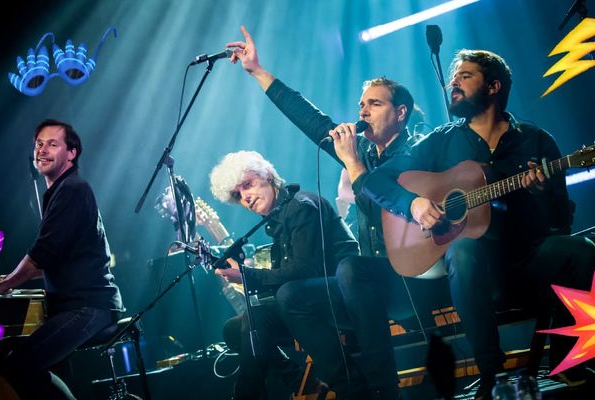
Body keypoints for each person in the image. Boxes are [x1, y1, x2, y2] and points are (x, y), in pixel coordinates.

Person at [363, 49, 595, 399]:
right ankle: (491, 372)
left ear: (493, 86)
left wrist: (542, 194)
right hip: (473, 272)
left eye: (465, 76)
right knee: (463, 249)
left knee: (581, 250)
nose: (452, 83)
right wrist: (414, 203)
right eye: (453, 77)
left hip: (525, 261)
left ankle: (568, 363)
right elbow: (376, 182)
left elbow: (562, 221)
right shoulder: (441, 140)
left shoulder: (535, 140)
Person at [227, 25, 417, 399]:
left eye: (374, 104)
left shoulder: (415, 154)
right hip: (363, 282)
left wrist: (353, 163)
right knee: (289, 297)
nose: (363, 111)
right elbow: (310, 119)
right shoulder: (360, 155)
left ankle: (384, 391)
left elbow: (391, 202)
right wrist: (257, 71)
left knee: (350, 268)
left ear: (400, 113)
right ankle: (353, 390)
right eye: (361, 105)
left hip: (406, 275)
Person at [209, 150, 360, 400]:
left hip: (344, 294)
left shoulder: (302, 207)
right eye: (238, 194)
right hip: (304, 300)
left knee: (280, 301)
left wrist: (247, 276)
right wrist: (242, 275)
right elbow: (288, 279)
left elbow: (305, 270)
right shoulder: (278, 219)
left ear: (267, 175)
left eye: (247, 185)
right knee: (236, 328)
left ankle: (348, 385)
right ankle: (299, 381)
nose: (245, 197)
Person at [0, 119, 124, 399]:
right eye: (39, 144)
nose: (42, 150)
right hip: (79, 306)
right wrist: (10, 278)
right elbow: (60, 258)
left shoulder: (72, 189)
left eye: (52, 144)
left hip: (88, 306)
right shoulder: (60, 191)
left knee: (19, 366)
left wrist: (4, 285)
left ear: (72, 153)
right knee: (10, 355)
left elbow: (43, 252)